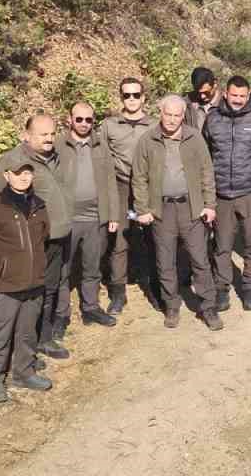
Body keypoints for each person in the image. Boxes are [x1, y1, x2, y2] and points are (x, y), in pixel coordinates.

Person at [133, 94, 221, 330]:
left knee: (200, 259)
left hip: (191, 208)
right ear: (160, 113)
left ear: (183, 116)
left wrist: (210, 204)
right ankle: (171, 305)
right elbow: (139, 177)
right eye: (168, 114)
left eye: (177, 115)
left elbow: (206, 171)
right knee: (165, 261)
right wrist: (142, 209)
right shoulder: (147, 140)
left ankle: (208, 307)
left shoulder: (194, 137)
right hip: (161, 210)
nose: (172, 120)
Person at [0, 114, 72, 360]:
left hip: (57, 237)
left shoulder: (56, 156)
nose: (49, 139)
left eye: (52, 134)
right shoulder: (14, 161)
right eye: (43, 134)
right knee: (30, 295)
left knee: (49, 289)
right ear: (26, 136)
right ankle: (24, 349)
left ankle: (43, 339)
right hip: (32, 242)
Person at [0, 158, 56, 401]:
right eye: (18, 173)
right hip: (5, 284)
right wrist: (0, 271)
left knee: (27, 332)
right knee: (0, 336)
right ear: (6, 176)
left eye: (28, 173)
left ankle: (24, 373)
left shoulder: (39, 205)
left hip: (34, 281)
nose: (23, 177)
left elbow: (44, 237)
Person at [203, 75, 251, 311]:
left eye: (242, 96)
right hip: (221, 194)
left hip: (250, 193)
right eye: (234, 95)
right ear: (225, 94)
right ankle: (222, 289)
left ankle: (249, 288)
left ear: (248, 95)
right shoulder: (212, 119)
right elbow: (205, 152)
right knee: (222, 246)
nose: (237, 100)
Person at [52, 101, 120, 328]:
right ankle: (61, 314)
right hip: (67, 218)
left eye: (88, 119)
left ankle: (91, 308)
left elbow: (110, 180)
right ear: (69, 119)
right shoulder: (57, 145)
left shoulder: (100, 145)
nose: (83, 123)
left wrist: (113, 214)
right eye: (79, 119)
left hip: (95, 218)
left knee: (92, 266)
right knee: (63, 269)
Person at [99, 77, 155, 313]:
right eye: (126, 95)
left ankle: (154, 286)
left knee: (153, 238)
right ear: (121, 97)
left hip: (148, 189)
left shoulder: (155, 125)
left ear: (143, 97)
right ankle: (118, 292)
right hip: (120, 187)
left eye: (136, 95)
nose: (131, 99)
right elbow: (101, 158)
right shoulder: (109, 126)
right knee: (119, 241)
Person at [184, 66, 219, 133]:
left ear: (215, 84)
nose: (202, 96)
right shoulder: (186, 102)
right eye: (198, 92)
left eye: (206, 92)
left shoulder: (226, 103)